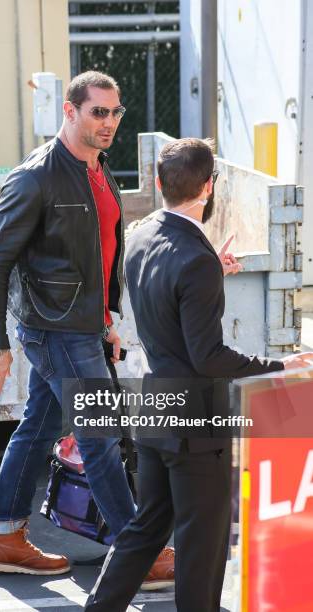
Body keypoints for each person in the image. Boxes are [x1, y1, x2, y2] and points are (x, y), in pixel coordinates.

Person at [84, 137, 313, 611]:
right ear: (209, 187)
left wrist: (213, 274)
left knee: (146, 528)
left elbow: (166, 295)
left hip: (155, 408)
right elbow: (209, 358)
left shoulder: (144, 235)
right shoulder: (196, 259)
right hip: (196, 420)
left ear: (157, 182)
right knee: (201, 546)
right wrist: (279, 365)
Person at [0, 70, 174, 586]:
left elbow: (100, 254)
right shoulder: (35, 176)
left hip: (81, 326)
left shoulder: (98, 168)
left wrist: (105, 318)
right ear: (70, 111)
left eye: (115, 113)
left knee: (40, 425)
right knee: (101, 433)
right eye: (97, 112)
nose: (109, 123)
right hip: (52, 327)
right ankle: (138, 551)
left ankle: (4, 538)